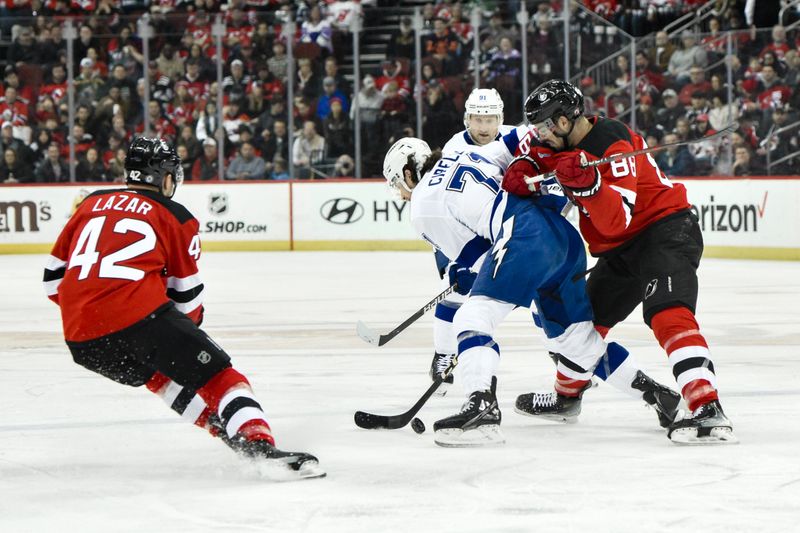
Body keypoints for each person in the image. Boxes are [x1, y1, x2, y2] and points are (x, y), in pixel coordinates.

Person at [42, 137, 324, 478]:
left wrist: (91, 308)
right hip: (140, 319)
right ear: (162, 176)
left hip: (82, 340)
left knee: (161, 377)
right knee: (220, 376)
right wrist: (178, 331)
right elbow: (186, 299)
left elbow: (52, 281)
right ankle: (258, 444)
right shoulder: (175, 215)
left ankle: (227, 432)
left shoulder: (90, 204)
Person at [382, 135, 680, 447]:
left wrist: (465, 274)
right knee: (575, 340)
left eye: (397, 184)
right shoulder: (465, 154)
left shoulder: (421, 205)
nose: (401, 194)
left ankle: (481, 406)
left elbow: (480, 259)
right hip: (563, 237)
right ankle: (654, 391)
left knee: (473, 317)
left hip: (522, 234)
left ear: (407, 173)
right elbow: (519, 140)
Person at [505, 79, 736, 444]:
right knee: (577, 327)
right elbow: (536, 157)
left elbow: (617, 220)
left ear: (564, 122)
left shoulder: (613, 142)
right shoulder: (554, 140)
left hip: (666, 232)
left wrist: (588, 187)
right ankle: (567, 398)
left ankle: (706, 405)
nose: (540, 134)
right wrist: (525, 169)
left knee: (666, 312)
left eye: (545, 126)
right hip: (619, 252)